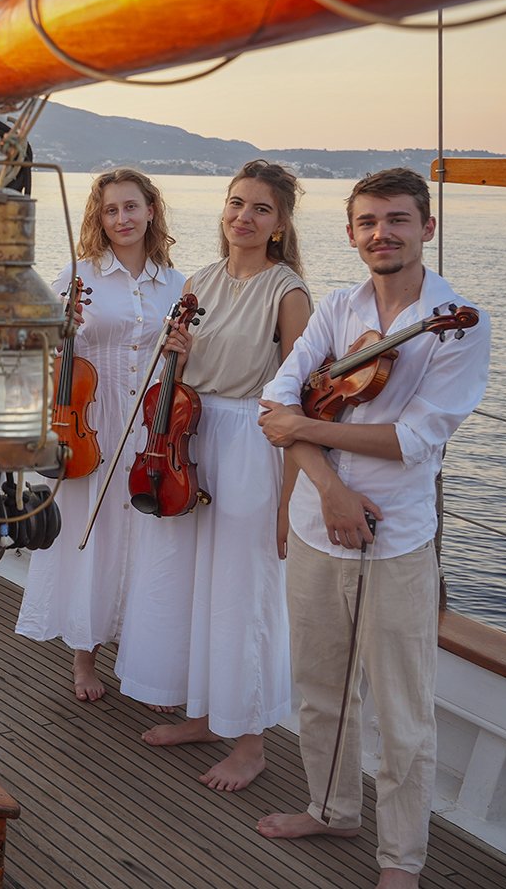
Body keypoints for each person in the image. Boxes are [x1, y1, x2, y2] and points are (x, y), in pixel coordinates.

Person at [255, 168, 491, 889]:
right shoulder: (334, 307)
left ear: (427, 227)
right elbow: (276, 407)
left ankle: (401, 860)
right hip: (318, 527)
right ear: (352, 231)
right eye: (367, 222)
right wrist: (327, 488)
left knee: (401, 710)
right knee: (319, 686)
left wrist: (305, 427)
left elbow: (412, 438)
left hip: (398, 539)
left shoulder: (455, 323)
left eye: (396, 220)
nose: (381, 234)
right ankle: (331, 809)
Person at [115, 160, 311, 791]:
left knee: (240, 593)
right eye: (235, 204)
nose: (243, 218)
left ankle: (250, 743)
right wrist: (173, 356)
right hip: (190, 437)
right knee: (187, 584)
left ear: (279, 225)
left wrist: (290, 500)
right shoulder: (199, 280)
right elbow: (177, 377)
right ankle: (204, 714)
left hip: (251, 446)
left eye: (260, 209)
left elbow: (299, 400)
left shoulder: (289, 293)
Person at [13, 168, 183, 703]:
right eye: (111, 211)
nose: (122, 219)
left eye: (131, 207)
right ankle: (84, 658)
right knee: (94, 538)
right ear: (99, 218)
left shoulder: (178, 284)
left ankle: (140, 654)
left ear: (151, 210)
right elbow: (41, 346)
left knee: (148, 540)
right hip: (95, 422)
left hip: (152, 426)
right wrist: (63, 329)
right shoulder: (80, 274)